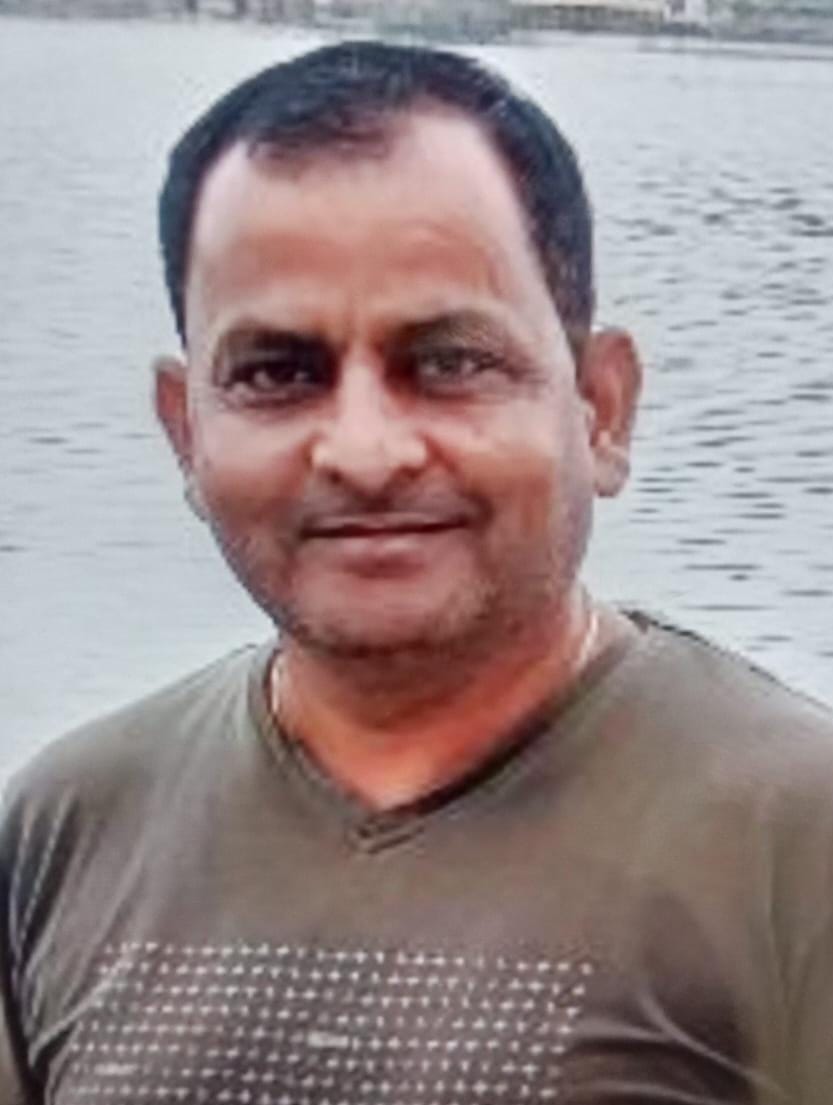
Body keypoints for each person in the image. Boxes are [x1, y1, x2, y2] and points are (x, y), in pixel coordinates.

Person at [1, 40, 831, 1105]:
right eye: (276, 372)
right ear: (186, 432)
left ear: (599, 408)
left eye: (448, 363)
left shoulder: (791, 843)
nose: (364, 449)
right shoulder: (70, 826)